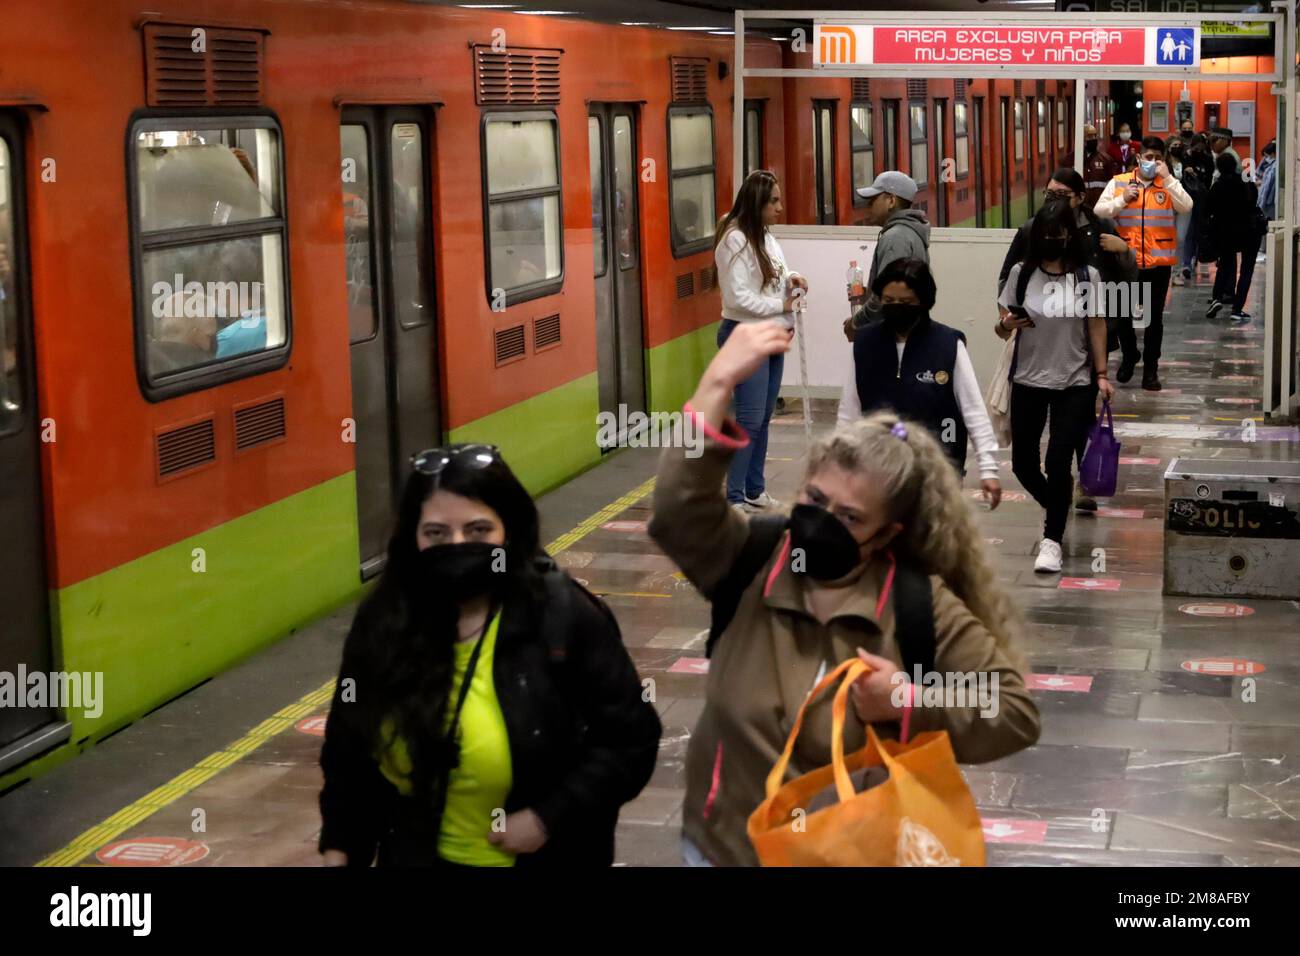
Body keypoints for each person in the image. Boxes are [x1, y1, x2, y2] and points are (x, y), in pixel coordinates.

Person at [648, 320, 1041, 867]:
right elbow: (676, 509)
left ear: (887, 534)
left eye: (850, 517)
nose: (821, 520)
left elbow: (1013, 711)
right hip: (723, 851)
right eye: (815, 497)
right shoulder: (752, 560)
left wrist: (907, 698)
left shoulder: (916, 606)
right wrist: (716, 383)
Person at [318, 444, 661, 867]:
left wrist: (547, 818)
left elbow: (631, 739)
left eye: (479, 531)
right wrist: (341, 848)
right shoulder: (385, 620)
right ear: (413, 538)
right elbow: (348, 754)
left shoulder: (562, 617)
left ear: (509, 533)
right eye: (437, 534)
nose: (458, 545)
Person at [997, 169, 1136, 514]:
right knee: (1030, 456)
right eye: (1049, 194)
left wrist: (1125, 252)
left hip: (1087, 348)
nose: (1053, 201)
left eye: (1060, 195)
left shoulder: (1100, 228)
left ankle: (1078, 482)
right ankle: (1061, 496)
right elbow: (1007, 282)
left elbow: (1127, 281)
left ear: (1078, 197)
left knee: (1075, 428)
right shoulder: (1031, 232)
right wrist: (1008, 319)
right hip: (1036, 360)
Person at [995, 202, 1115, 574]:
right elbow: (1000, 327)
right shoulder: (1020, 273)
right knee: (1023, 464)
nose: (1052, 240)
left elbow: (1097, 325)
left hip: (1075, 382)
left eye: (1059, 233)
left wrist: (1101, 373)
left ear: (1069, 235)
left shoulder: (1087, 277)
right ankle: (1057, 507)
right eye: (1046, 233)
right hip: (1028, 379)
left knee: (1059, 461)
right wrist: (1008, 324)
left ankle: (1051, 541)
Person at [837, 257, 1002, 509]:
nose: (896, 308)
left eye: (905, 303)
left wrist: (989, 468)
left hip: (938, 469)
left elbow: (973, 410)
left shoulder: (948, 344)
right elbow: (849, 410)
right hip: (878, 467)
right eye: (889, 302)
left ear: (923, 302)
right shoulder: (864, 343)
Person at [714, 170, 808, 513]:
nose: (781, 207)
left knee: (764, 416)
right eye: (774, 201)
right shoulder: (735, 239)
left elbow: (774, 274)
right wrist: (780, 305)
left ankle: (754, 488)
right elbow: (738, 297)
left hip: (771, 335)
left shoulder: (765, 236)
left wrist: (793, 278)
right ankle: (734, 496)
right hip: (746, 336)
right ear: (757, 203)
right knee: (750, 419)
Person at [1094, 135, 1193, 391]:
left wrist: (1169, 178)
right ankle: (1129, 355)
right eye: (1149, 157)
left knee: (1153, 320)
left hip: (1158, 265)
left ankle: (1151, 370)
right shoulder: (1120, 183)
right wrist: (1122, 199)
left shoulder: (1168, 185)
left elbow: (1186, 206)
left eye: (1158, 159)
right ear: (1139, 158)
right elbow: (1099, 211)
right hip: (1126, 264)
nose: (1153, 162)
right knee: (1123, 316)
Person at [844, 171, 930, 338]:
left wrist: (856, 323)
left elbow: (885, 297)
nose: (868, 206)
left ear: (891, 200)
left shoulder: (896, 238)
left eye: (873, 200)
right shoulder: (911, 233)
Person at [1206, 152, 1262, 324]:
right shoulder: (1245, 182)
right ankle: (1237, 309)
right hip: (1249, 231)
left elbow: (1210, 209)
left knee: (1224, 266)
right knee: (1246, 270)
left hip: (1226, 233)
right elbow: (1254, 200)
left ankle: (1216, 298)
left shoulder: (1217, 185)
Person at [1079, 124, 1118, 209]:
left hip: (1100, 206)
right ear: (1082, 138)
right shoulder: (1075, 158)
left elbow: (1111, 185)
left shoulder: (1106, 159)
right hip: (1081, 207)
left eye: (1095, 136)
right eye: (1089, 137)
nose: (1093, 139)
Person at [1257, 140, 1277, 221]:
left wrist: (1261, 204)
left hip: (1269, 202)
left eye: (1267, 156)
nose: (1265, 159)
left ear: (1273, 154)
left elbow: (1266, 188)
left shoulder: (1273, 167)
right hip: (1269, 202)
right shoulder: (1272, 166)